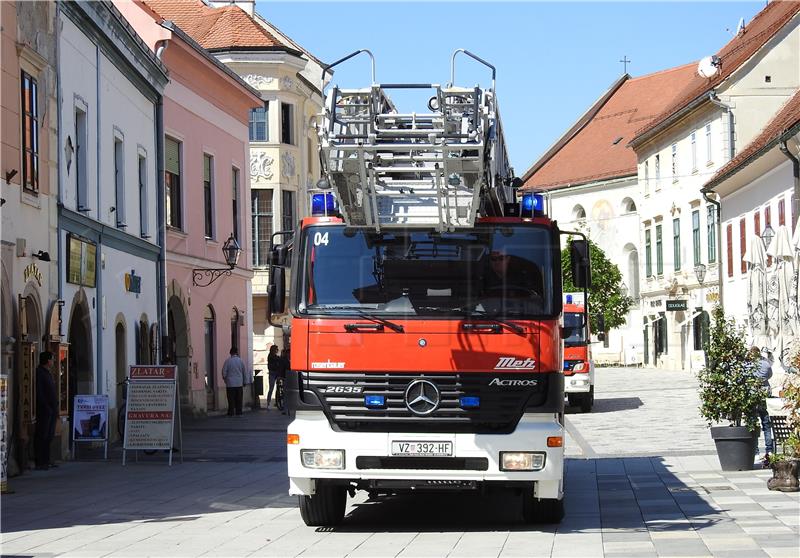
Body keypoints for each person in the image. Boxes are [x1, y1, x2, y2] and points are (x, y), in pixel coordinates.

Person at [751, 346, 776, 464]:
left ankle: (755, 452)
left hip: (752, 395)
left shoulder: (749, 365)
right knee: (766, 424)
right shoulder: (766, 364)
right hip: (765, 394)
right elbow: (770, 375)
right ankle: (769, 450)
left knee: (754, 424)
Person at [34, 351, 58, 470]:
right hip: (45, 410)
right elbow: (40, 392)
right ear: (48, 361)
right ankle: (40, 461)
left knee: (49, 436)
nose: (53, 361)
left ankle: (47, 460)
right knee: (42, 435)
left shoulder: (47, 373)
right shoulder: (40, 373)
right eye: (52, 359)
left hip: (51, 410)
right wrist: (46, 407)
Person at [222, 347, 246, 417]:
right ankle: (239, 412)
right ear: (237, 352)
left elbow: (224, 371)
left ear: (230, 352)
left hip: (230, 383)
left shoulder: (227, 361)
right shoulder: (240, 361)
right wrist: (244, 381)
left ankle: (231, 412)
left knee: (231, 399)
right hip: (239, 383)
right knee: (239, 399)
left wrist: (225, 379)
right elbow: (244, 372)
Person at [266, 345, 281, 410]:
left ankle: (276, 402)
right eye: (276, 349)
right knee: (271, 388)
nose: (277, 350)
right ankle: (268, 403)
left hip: (276, 373)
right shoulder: (271, 356)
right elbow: (275, 360)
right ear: (274, 350)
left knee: (277, 388)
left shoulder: (274, 356)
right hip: (272, 373)